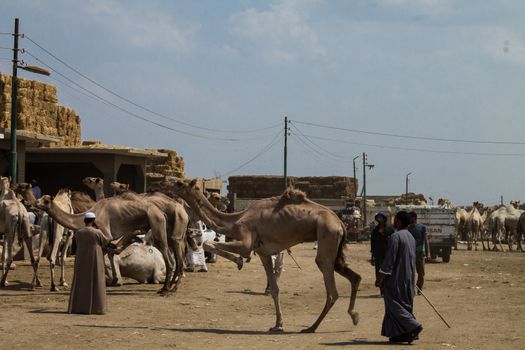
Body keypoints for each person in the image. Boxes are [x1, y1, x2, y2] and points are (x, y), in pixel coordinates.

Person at [375, 211, 423, 344]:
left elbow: (389, 260)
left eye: (395, 219)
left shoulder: (395, 237)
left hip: (396, 279)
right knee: (404, 305)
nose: (393, 222)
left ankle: (414, 325)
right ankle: (400, 334)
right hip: (408, 278)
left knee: (394, 305)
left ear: (399, 222)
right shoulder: (411, 237)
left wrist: (380, 277)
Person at [68, 212, 112, 315]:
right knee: (96, 280)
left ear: (84, 221)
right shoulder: (97, 232)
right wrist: (100, 228)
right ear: (93, 221)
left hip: (81, 259)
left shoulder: (78, 232)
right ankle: (97, 308)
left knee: (81, 281)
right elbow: (107, 240)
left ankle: (78, 307)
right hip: (95, 258)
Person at [370, 212, 394, 295]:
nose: (379, 219)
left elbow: (393, 243)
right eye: (378, 218)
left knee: (388, 272)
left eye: (381, 218)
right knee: (379, 272)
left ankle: (388, 290)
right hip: (378, 255)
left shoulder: (390, 229)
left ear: (384, 219)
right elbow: (373, 244)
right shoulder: (375, 230)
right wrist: (372, 256)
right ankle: (382, 290)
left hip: (387, 255)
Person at [407, 211, 430, 292]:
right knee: (410, 272)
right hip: (410, 253)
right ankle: (411, 289)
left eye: (410, 218)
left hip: (420, 253)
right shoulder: (407, 228)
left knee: (421, 273)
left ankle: (419, 288)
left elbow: (426, 240)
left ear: (414, 218)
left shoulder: (422, 227)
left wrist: (428, 253)